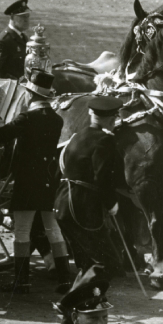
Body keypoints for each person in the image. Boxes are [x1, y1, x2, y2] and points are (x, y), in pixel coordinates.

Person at [0, 70, 71, 294]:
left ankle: (21, 282)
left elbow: (0, 136)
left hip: (26, 181)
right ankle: (64, 279)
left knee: (22, 231)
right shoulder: (56, 120)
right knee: (53, 230)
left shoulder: (26, 118)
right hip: (48, 180)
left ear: (31, 95)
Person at [54, 96, 126, 277]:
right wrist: (112, 204)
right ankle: (79, 300)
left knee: (86, 261)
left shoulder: (78, 136)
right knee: (107, 263)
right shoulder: (105, 140)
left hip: (63, 203)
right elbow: (102, 178)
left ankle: (85, 299)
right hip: (82, 206)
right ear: (112, 118)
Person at [0, 0, 31, 80]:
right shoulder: (3, 41)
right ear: (12, 17)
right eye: (22, 17)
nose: (26, 20)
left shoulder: (23, 37)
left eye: (27, 16)